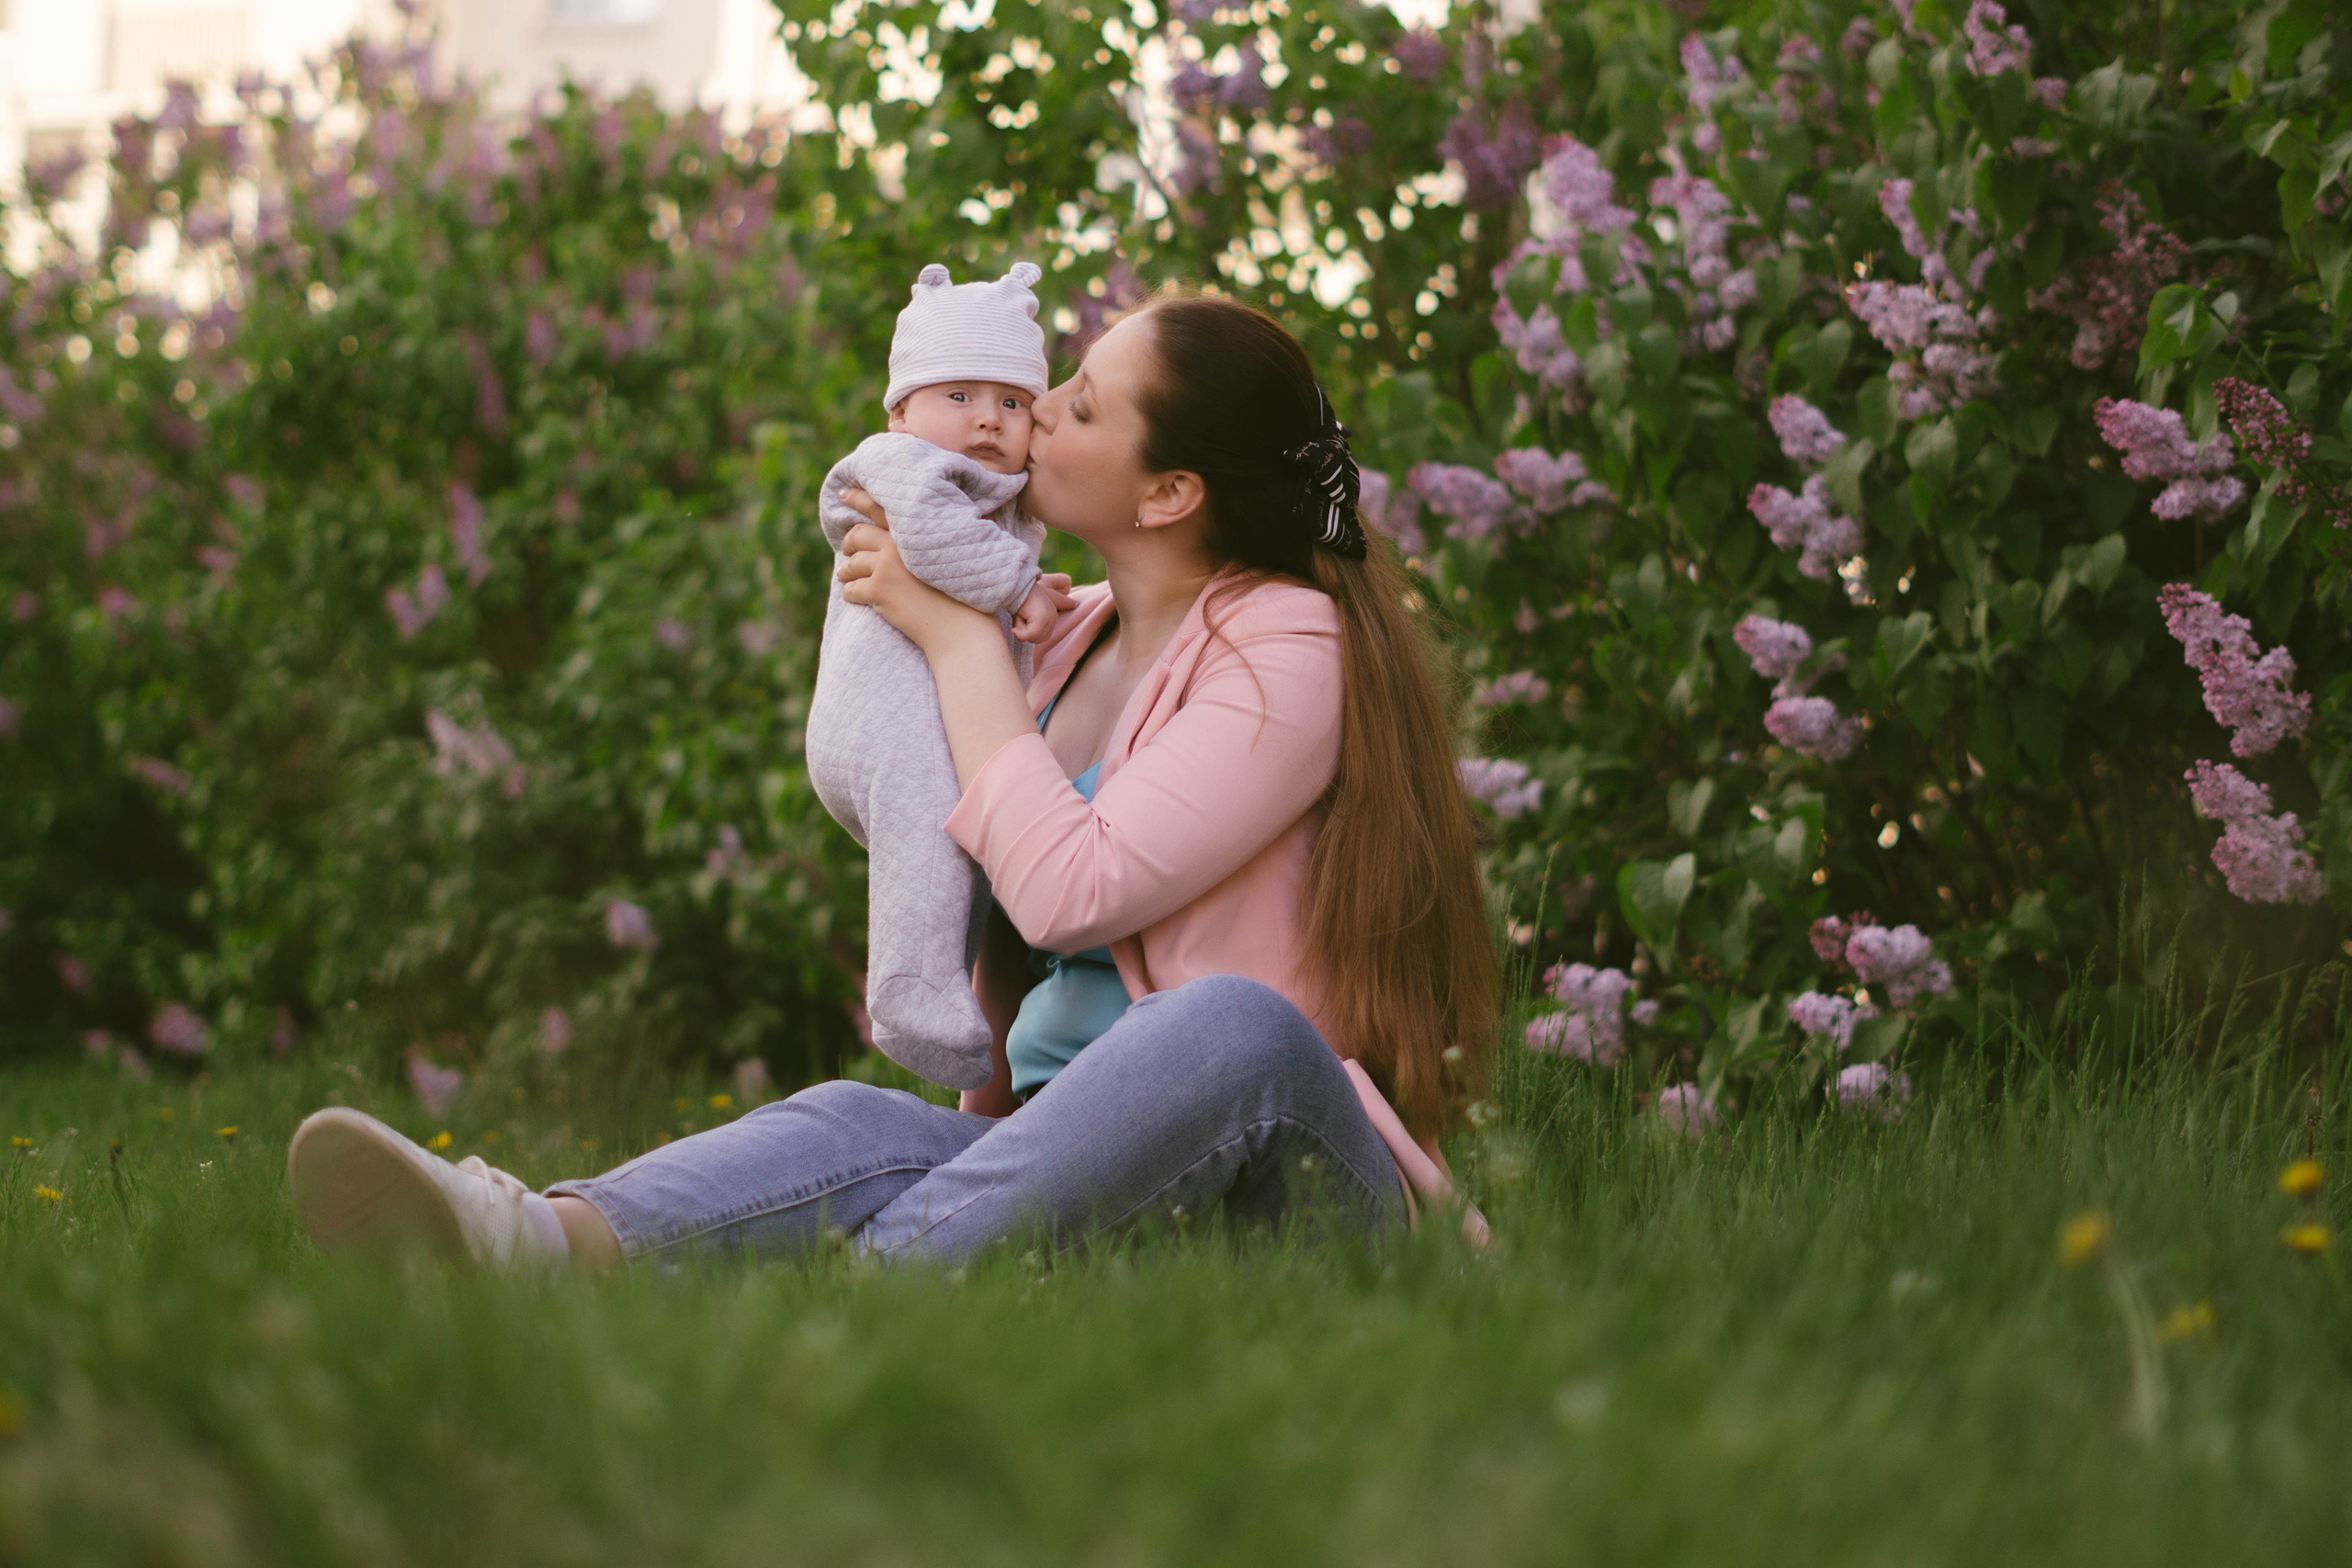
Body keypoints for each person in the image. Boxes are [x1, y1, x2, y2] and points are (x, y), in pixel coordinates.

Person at [284, 289, 1499, 1270]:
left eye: (1074, 407)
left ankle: (868, 1290)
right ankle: (533, 1244)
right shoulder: (1063, 629)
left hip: (1281, 1172)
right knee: (852, 1121)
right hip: (1057, 1156)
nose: (1027, 421)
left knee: (1233, 1024)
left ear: (1171, 491)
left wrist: (957, 637)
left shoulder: (1288, 644)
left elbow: (1077, 888)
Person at [805, 261, 1068, 1090]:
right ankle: (909, 992)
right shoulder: (900, 467)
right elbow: (928, 536)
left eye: (1013, 402)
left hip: (929, 719)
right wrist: (1022, 585)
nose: (988, 420)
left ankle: (952, 994)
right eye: (959, 396)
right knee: (930, 810)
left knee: (968, 849)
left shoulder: (993, 494)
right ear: (900, 410)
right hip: (879, 718)